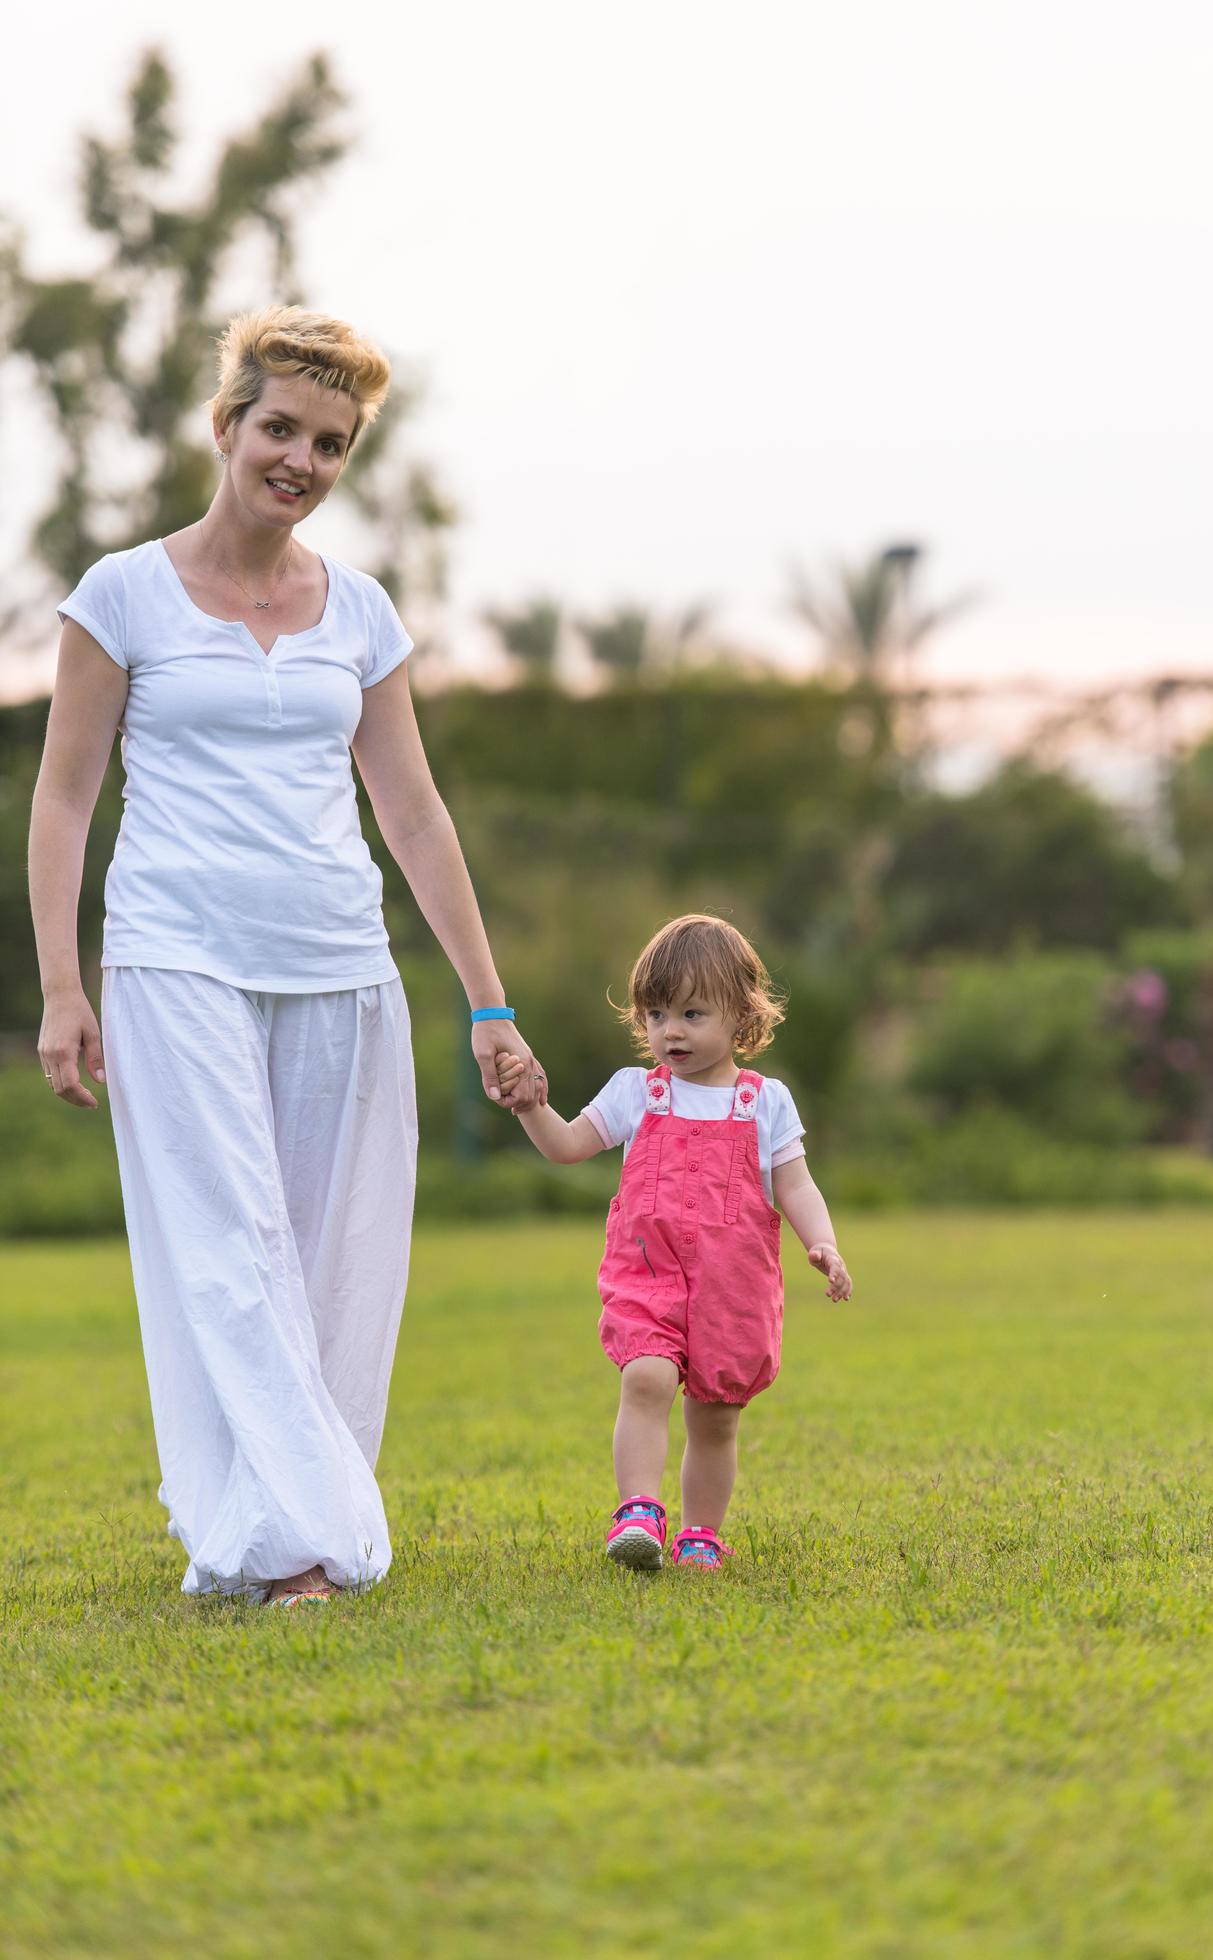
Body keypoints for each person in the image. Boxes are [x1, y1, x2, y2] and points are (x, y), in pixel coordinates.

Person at [28, 305, 545, 1607]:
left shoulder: (360, 613)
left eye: (331, 442)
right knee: (229, 1244)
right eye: (280, 428)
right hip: (173, 957)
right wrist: (61, 985)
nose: (301, 460)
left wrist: (489, 1002)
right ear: (227, 425)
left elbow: (414, 813)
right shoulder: (123, 596)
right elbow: (63, 798)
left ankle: (263, 1534)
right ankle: (314, 1549)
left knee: (334, 1261)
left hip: (339, 964)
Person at [498, 913, 851, 1571]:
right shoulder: (638, 1093)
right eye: (657, 1014)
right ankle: (637, 1513)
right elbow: (569, 1145)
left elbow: (796, 1186)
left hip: (733, 1285)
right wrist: (530, 1107)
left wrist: (823, 1244)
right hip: (648, 1272)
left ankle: (701, 1535)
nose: (671, 1031)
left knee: (716, 1419)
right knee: (647, 1376)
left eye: (692, 1013)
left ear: (741, 1017)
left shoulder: (764, 1102)